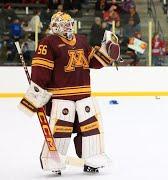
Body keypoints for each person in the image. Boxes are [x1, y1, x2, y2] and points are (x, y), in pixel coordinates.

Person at [18, 12, 120, 175]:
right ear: (55, 26)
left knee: (90, 129)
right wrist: (35, 97)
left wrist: (107, 52)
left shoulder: (81, 40)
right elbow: (40, 72)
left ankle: (92, 158)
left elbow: (92, 62)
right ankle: (54, 161)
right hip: (61, 97)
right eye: (64, 24)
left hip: (84, 95)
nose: (68, 26)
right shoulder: (48, 43)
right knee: (61, 130)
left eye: (69, 23)